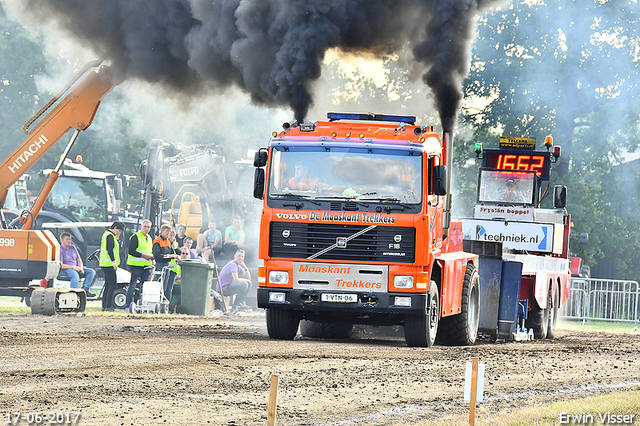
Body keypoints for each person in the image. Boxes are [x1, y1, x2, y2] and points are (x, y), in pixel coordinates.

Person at [126, 219, 155, 310]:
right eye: (145, 226)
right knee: (133, 285)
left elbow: (149, 251)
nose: (147, 229)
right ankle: (128, 305)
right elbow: (131, 251)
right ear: (141, 227)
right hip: (136, 265)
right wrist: (143, 256)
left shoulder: (149, 238)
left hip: (146, 265)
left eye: (149, 227)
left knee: (145, 286)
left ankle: (142, 305)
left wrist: (151, 258)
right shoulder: (136, 237)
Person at [59, 232, 96, 296]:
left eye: (70, 239)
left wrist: (81, 268)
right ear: (62, 240)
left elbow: (79, 260)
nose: (69, 241)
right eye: (67, 239)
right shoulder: (60, 250)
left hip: (76, 267)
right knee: (75, 274)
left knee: (91, 271)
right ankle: (74, 293)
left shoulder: (73, 248)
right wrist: (74, 267)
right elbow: (61, 265)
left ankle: (85, 290)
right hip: (66, 269)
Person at [99, 221, 125, 311]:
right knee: (112, 285)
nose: (119, 233)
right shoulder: (110, 236)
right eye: (119, 230)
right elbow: (109, 249)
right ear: (115, 228)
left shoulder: (106, 234)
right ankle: (108, 305)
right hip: (109, 264)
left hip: (105, 264)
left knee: (108, 285)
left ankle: (104, 304)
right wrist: (114, 262)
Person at [152, 224, 181, 302]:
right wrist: (170, 255)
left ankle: (164, 303)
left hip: (167, 265)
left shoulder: (168, 241)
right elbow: (157, 255)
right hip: (160, 265)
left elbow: (174, 252)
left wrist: (175, 256)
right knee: (160, 284)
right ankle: (157, 301)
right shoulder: (157, 241)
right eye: (167, 231)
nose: (168, 233)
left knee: (166, 286)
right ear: (162, 231)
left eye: (169, 231)